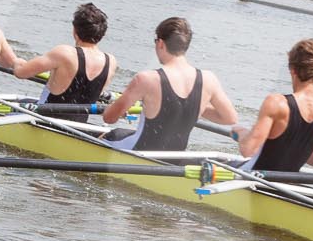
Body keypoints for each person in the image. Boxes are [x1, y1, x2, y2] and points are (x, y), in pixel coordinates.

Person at [101, 15, 238, 153]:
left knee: (110, 134)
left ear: (160, 43)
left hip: (140, 152)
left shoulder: (146, 79)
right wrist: (192, 106)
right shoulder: (209, 79)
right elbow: (229, 118)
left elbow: (109, 118)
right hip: (175, 160)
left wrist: (115, 108)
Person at [238, 38, 313, 172]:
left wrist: (239, 133)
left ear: (292, 69)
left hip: (254, 182)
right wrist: (298, 148)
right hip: (285, 187)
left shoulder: (277, 103)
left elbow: (248, 149)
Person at [12, 1, 113, 106]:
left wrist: (17, 62)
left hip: (44, 118)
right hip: (78, 121)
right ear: (102, 33)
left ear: (74, 30)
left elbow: (21, 73)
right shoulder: (110, 61)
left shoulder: (64, 53)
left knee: (18, 103)